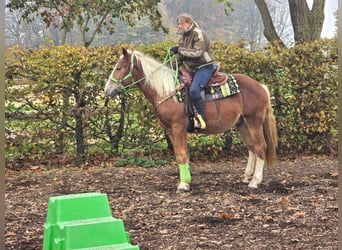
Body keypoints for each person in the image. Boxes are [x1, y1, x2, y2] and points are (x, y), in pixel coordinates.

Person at [170, 13, 216, 130]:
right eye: (178, 24)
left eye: (181, 24)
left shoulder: (198, 33)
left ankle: (201, 118)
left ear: (189, 23)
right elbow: (179, 58)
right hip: (193, 69)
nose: (179, 26)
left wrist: (179, 49)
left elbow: (197, 52)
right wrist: (175, 66)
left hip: (205, 67)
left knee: (194, 90)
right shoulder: (183, 38)